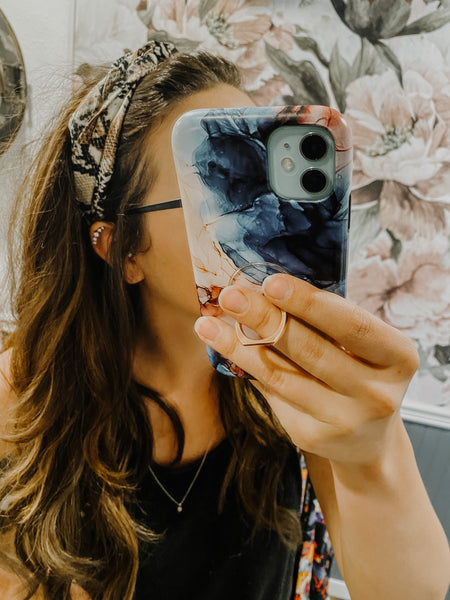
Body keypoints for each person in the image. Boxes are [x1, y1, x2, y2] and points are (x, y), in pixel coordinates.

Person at [0, 40, 448, 600]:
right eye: (225, 189)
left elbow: (413, 592)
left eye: (274, 179)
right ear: (122, 248)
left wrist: (372, 455)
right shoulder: (21, 395)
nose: (279, 212)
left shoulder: (295, 381)